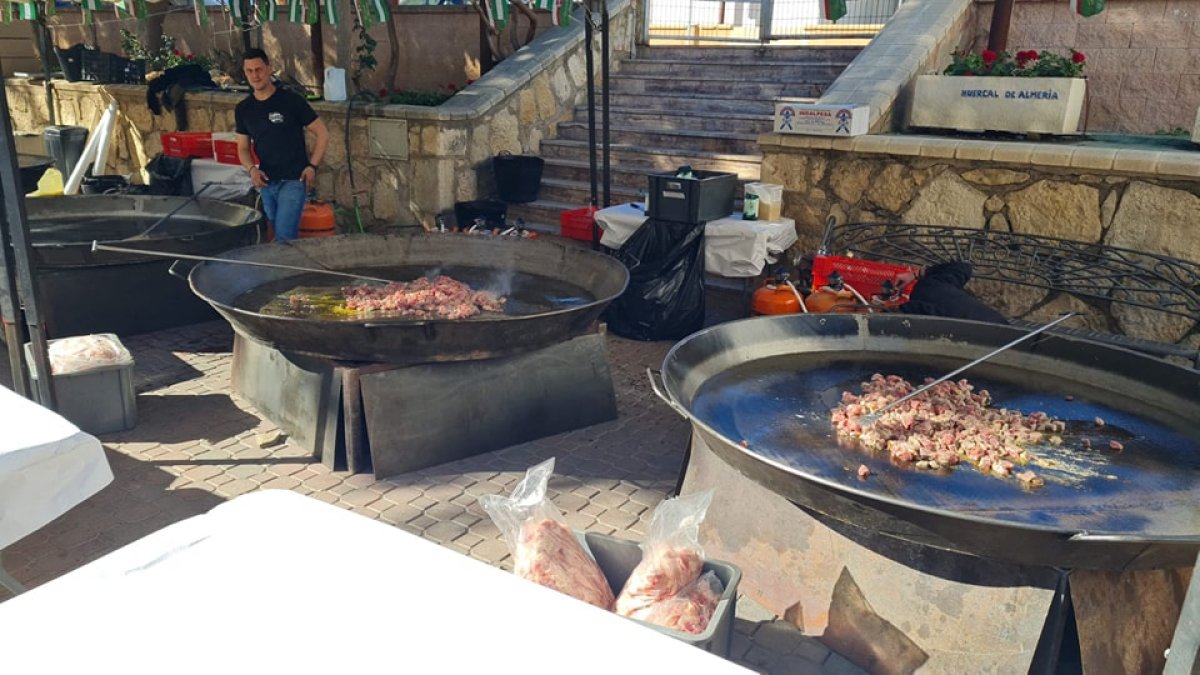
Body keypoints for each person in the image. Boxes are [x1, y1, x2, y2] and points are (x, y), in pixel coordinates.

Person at [235, 48, 329, 241]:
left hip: (294, 180)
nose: (255, 75)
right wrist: (252, 170)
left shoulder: (291, 101)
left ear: (269, 69)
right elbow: (242, 148)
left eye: (259, 69)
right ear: (245, 73)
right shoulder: (243, 109)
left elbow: (322, 133)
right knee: (273, 235)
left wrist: (312, 166)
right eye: (249, 71)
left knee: (285, 237)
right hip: (266, 181)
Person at [893, 261, 1009, 324]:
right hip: (1000, 323)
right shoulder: (939, 282)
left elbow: (920, 309)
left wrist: (889, 308)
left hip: (979, 333)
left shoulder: (921, 297)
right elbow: (964, 267)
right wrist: (915, 274)